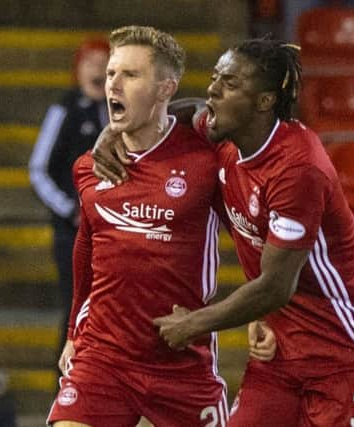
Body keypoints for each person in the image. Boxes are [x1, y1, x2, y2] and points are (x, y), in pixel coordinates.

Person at [93, 37, 354, 426]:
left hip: (342, 355)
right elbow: (187, 111)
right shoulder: (226, 138)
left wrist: (193, 325)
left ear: (264, 102)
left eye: (230, 84)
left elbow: (274, 287)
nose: (213, 89)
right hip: (280, 353)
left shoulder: (297, 169)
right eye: (216, 77)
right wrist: (115, 132)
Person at [47, 25, 240, 427]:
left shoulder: (207, 160)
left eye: (130, 75)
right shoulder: (90, 166)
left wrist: (271, 315)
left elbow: (250, 235)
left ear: (166, 88)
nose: (112, 83)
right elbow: (86, 246)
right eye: (112, 73)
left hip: (181, 361)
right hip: (103, 357)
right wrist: (72, 333)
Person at [28, 37, 110, 360]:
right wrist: (69, 209)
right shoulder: (65, 109)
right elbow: (38, 169)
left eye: (105, 64)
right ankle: (64, 385)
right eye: (91, 63)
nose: (99, 70)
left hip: (112, 226)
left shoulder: (119, 111)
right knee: (77, 304)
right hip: (73, 231)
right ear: (77, 69)